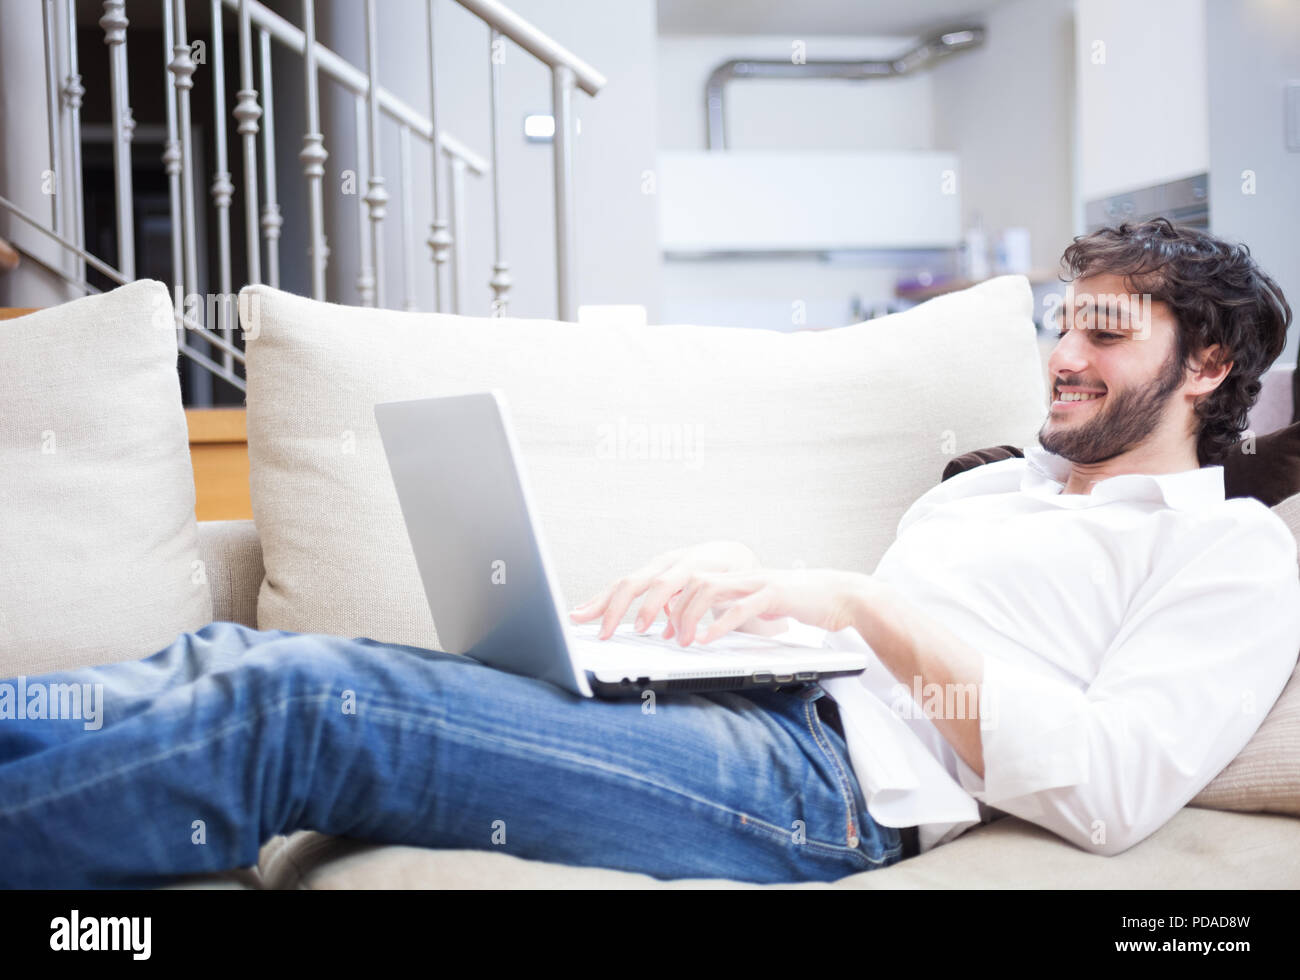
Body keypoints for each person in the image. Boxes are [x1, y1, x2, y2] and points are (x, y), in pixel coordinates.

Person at [3, 219, 1298, 888]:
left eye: (1107, 335)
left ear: (1213, 364)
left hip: (824, 791)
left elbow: (1117, 784)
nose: (1062, 357)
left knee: (296, 707)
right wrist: (709, 614)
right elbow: (868, 631)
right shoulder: (996, 491)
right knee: (220, 657)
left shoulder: (1229, 554)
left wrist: (847, 604)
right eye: (1061, 327)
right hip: (745, 702)